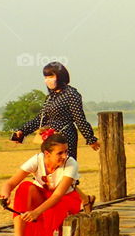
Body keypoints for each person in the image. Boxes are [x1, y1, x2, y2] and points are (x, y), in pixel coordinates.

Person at [12, 61, 97, 211]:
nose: (48, 79)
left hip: (65, 137)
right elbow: (41, 119)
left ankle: (71, 205)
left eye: (51, 75)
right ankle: (84, 200)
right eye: (46, 76)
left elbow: (79, 118)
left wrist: (90, 138)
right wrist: (22, 131)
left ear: (60, 76)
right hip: (48, 139)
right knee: (51, 173)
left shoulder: (71, 94)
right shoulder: (50, 97)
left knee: (65, 172)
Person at [0, 133, 83, 236]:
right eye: (60, 153)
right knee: (24, 188)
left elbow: (57, 195)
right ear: (47, 154)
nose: (65, 156)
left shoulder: (71, 163)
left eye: (66, 151)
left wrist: (36, 212)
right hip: (42, 198)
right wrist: (5, 194)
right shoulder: (37, 160)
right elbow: (10, 183)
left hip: (64, 200)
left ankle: (62, 231)